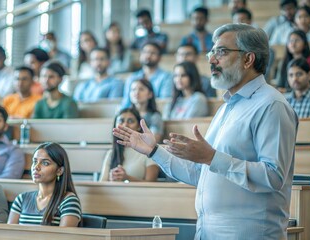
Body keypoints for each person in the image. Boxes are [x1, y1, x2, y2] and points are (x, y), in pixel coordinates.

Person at [113, 24, 297, 239]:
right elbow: (200, 174)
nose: (211, 60)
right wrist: (154, 151)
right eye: (212, 52)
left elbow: (273, 176)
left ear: (248, 59)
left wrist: (212, 157)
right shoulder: (226, 108)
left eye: (221, 51)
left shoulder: (271, 105)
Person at [7, 142, 82, 226]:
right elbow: (9, 235)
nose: (36, 167)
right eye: (35, 161)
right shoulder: (21, 199)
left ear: (59, 170)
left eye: (45, 163)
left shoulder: (68, 201)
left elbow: (64, 238)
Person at [100, 108, 159, 182]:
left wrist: (127, 178)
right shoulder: (111, 153)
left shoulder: (148, 150)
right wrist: (111, 180)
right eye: (121, 121)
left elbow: (152, 184)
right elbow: (102, 182)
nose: (125, 125)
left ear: (139, 126)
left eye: (130, 121)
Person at [121, 42, 173, 108]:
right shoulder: (132, 78)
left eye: (153, 53)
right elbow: (126, 102)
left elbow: (164, 102)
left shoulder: (166, 77)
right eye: (145, 52)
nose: (148, 55)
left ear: (160, 57)